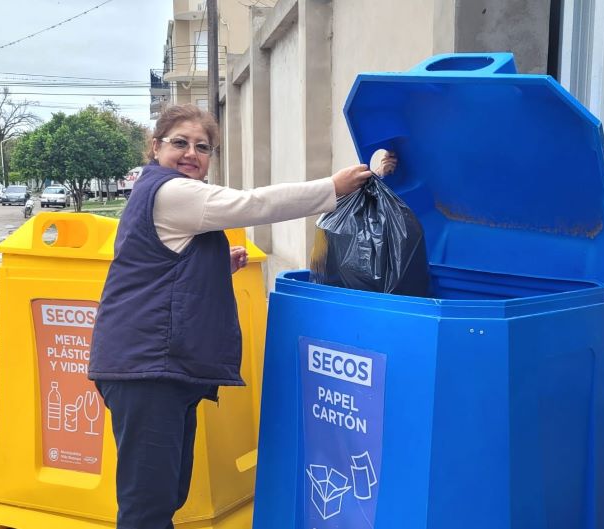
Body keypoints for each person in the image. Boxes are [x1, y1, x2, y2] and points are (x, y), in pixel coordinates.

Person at [88, 103, 395, 529]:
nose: (191, 153)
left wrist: (214, 264)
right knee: (147, 505)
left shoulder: (164, 193)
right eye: (180, 143)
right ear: (155, 147)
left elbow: (160, 265)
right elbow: (255, 204)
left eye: (202, 147)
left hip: (157, 366)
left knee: (166, 493)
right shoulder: (172, 192)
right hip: (146, 368)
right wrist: (333, 187)